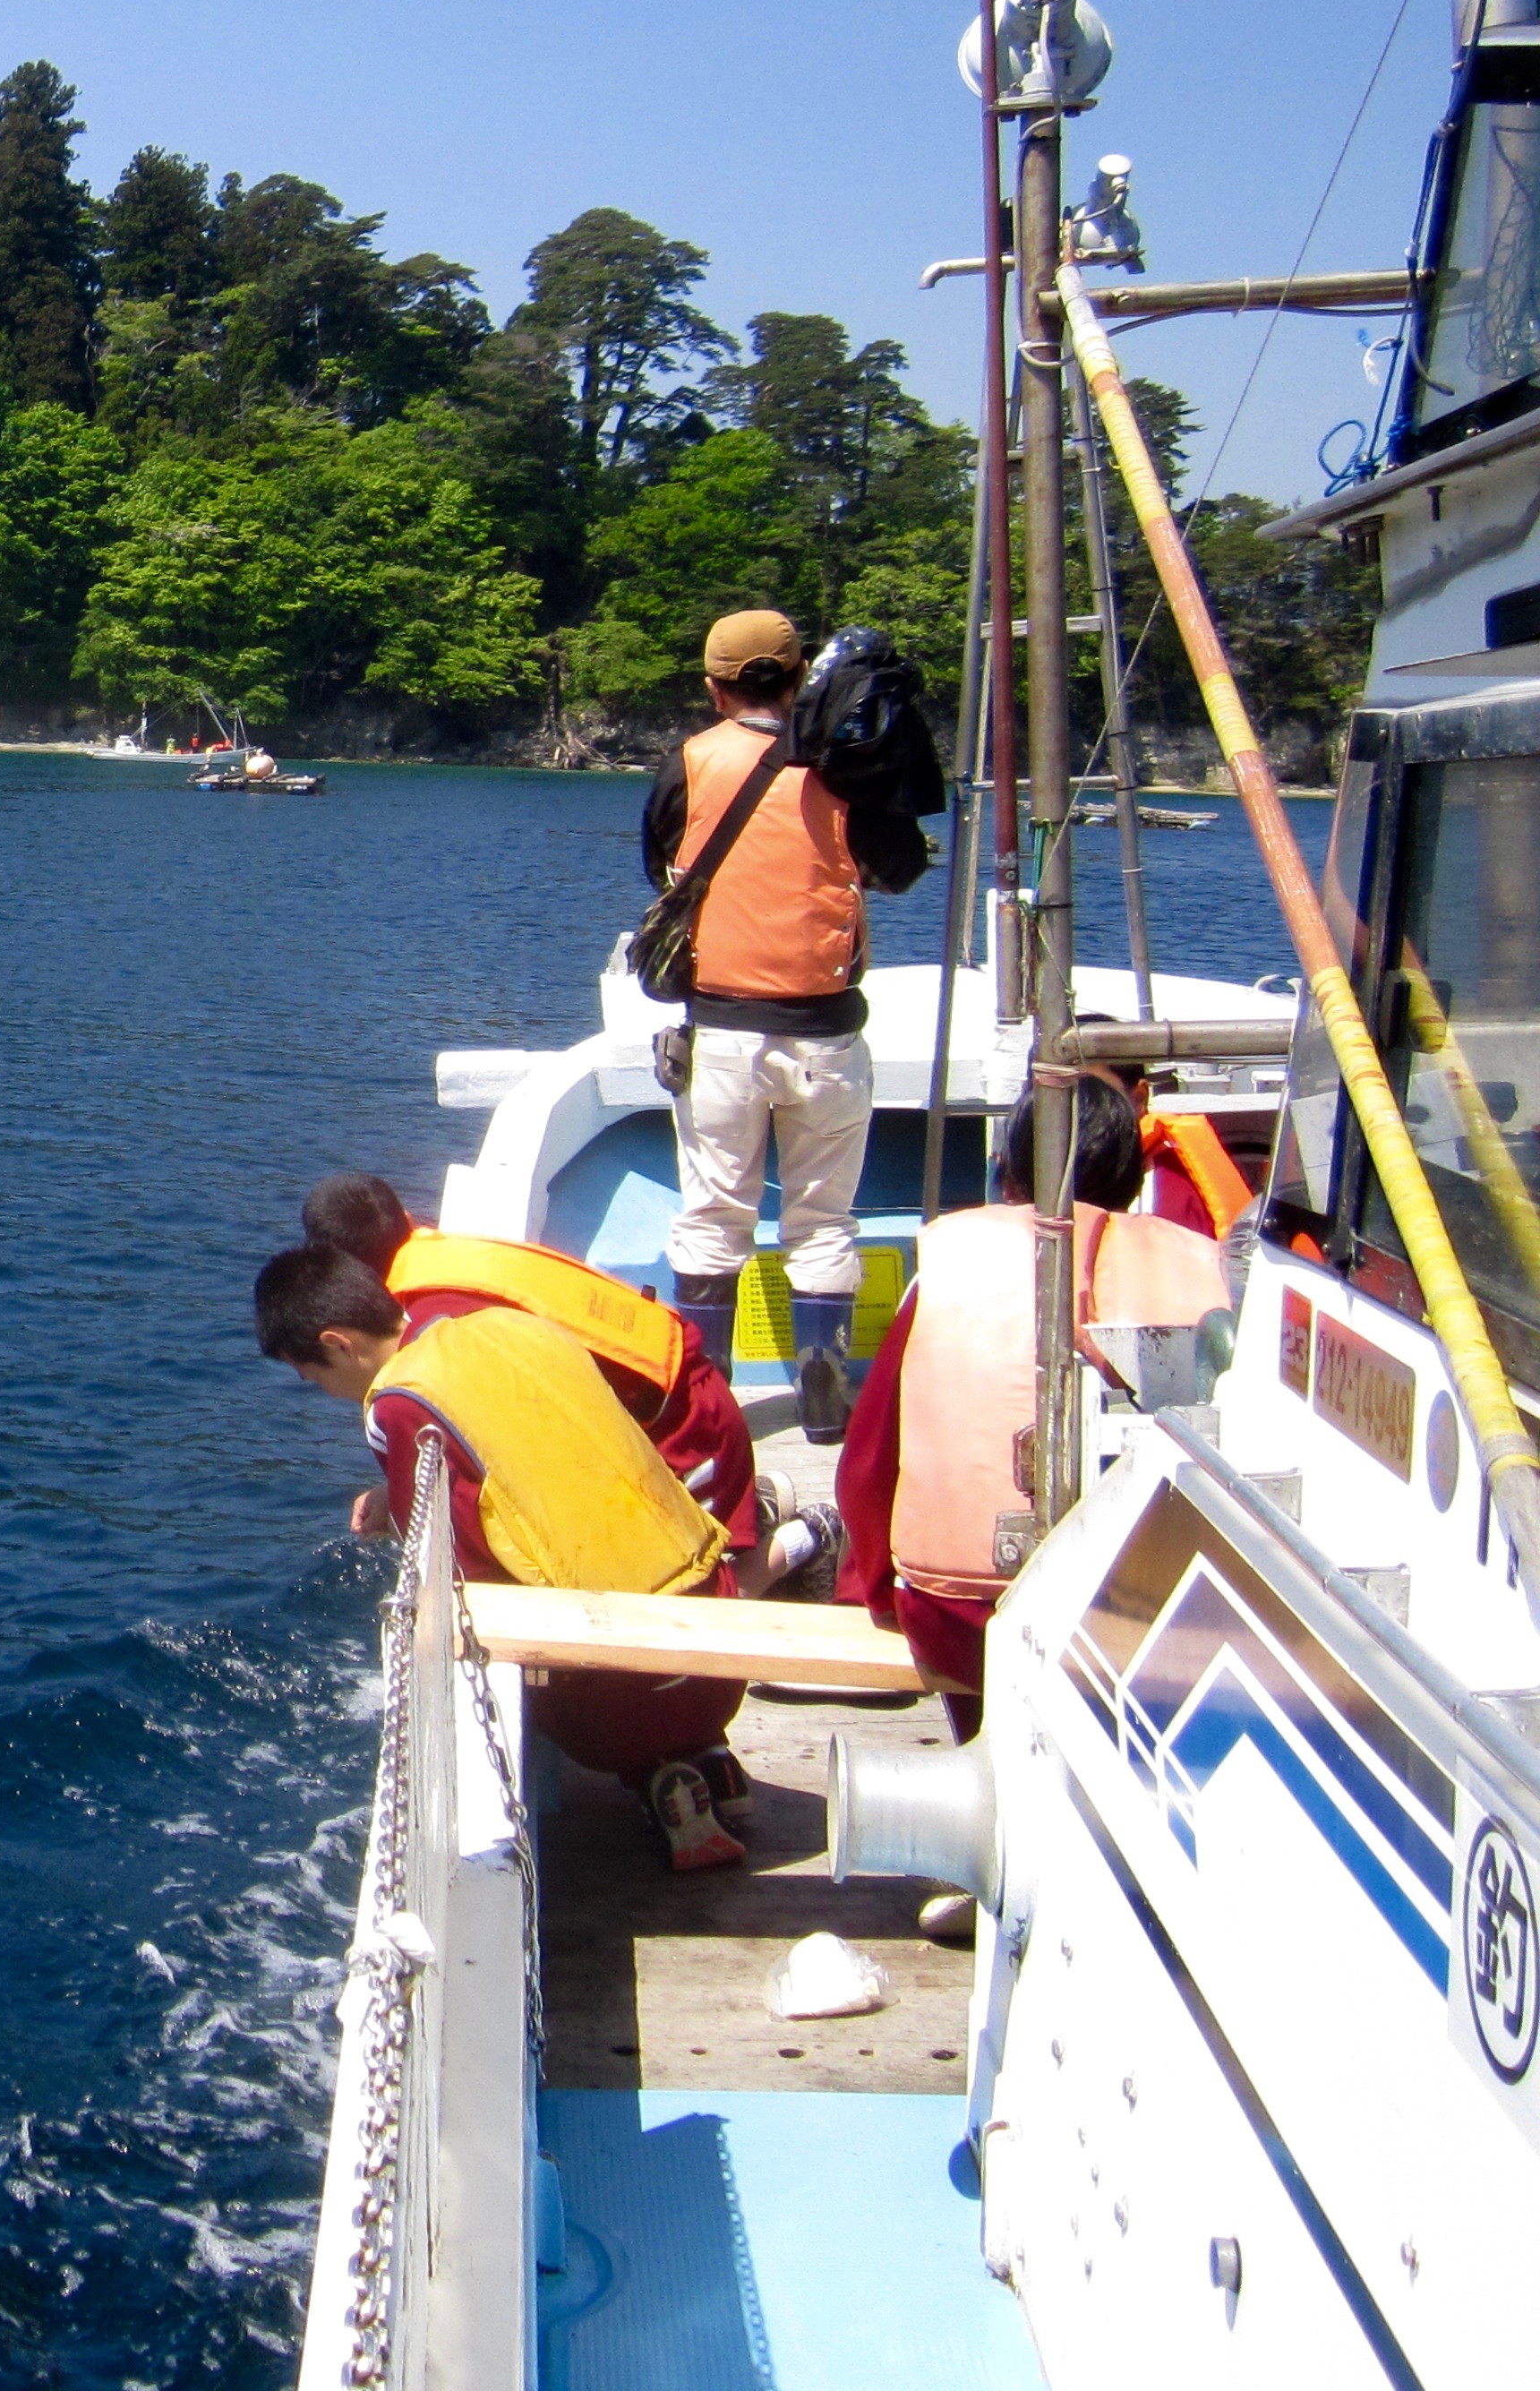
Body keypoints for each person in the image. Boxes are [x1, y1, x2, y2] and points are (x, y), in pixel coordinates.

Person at [256, 1239, 750, 1871]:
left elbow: (456, 1559)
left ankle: (652, 1774)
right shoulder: (509, 1326)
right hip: (718, 1638)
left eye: (316, 1377)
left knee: (525, 1651)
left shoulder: (398, 1403)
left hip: (614, 1703)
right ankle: (706, 1761)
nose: (327, 1392)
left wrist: (400, 1510)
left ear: (339, 1344)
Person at [833, 1073, 1230, 1737]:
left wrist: (877, 1592)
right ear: (1134, 1181)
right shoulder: (1206, 1271)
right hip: (1149, 1627)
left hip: (960, 1617)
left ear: (1009, 1172)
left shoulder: (948, 1263)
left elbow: (868, 1464)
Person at [642, 610, 931, 1443]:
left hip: (723, 1031)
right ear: (802, 675)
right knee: (824, 1222)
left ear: (714, 684)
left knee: (711, 1218)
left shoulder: (690, 763)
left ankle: (710, 1400)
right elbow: (898, 868)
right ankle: (824, 1390)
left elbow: (660, 859)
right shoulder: (846, 765)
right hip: (826, 1031)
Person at [297, 1171, 838, 1596]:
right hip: (687, 1391)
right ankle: (753, 1509)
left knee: (676, 1595)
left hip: (682, 1427)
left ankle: (806, 1539)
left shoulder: (437, 1325)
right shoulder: (438, 1255)